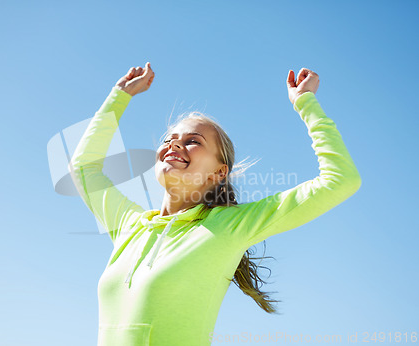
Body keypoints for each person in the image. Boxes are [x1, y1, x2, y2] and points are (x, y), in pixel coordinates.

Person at [68, 62, 362, 346]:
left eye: (193, 141)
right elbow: (83, 168)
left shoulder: (229, 226)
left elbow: (341, 180)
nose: (174, 144)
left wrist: (306, 103)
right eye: (169, 139)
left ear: (219, 172)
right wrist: (119, 96)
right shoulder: (130, 225)